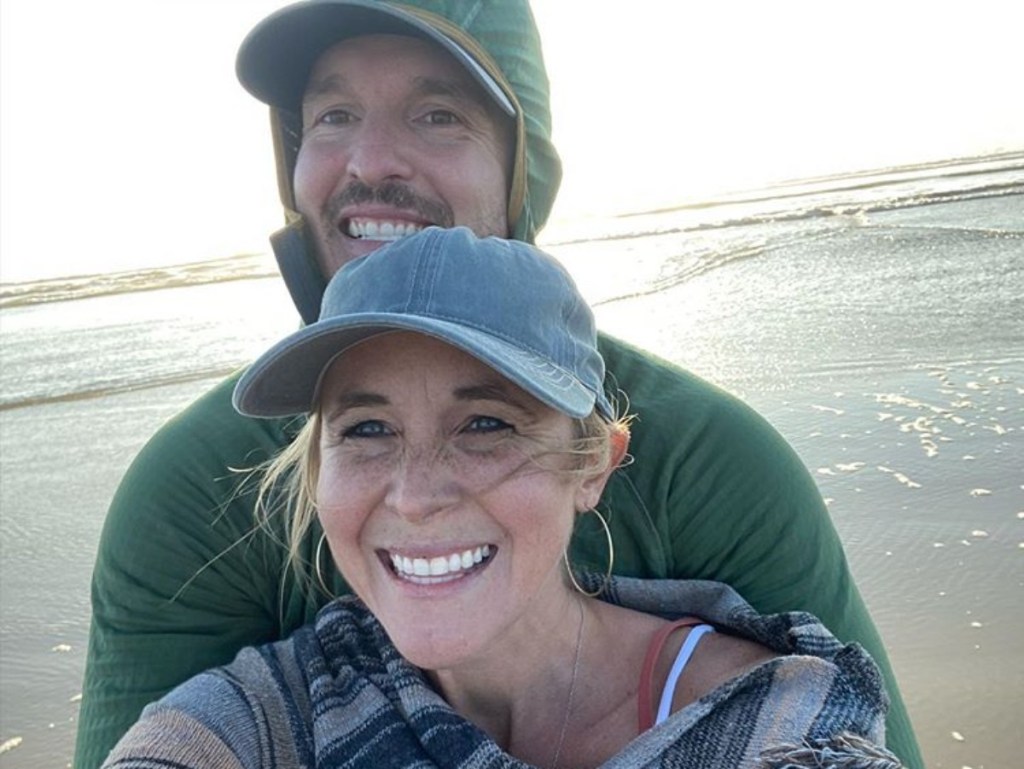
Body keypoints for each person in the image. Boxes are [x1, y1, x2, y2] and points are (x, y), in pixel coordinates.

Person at [75, 2, 923, 768]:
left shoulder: (709, 461)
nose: (368, 161)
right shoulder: (191, 496)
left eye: (438, 113)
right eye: (331, 115)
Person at [102, 226, 902, 769]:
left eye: (485, 423)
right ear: (317, 471)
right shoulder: (287, 701)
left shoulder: (770, 722)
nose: (414, 496)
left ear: (593, 465)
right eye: (368, 428)